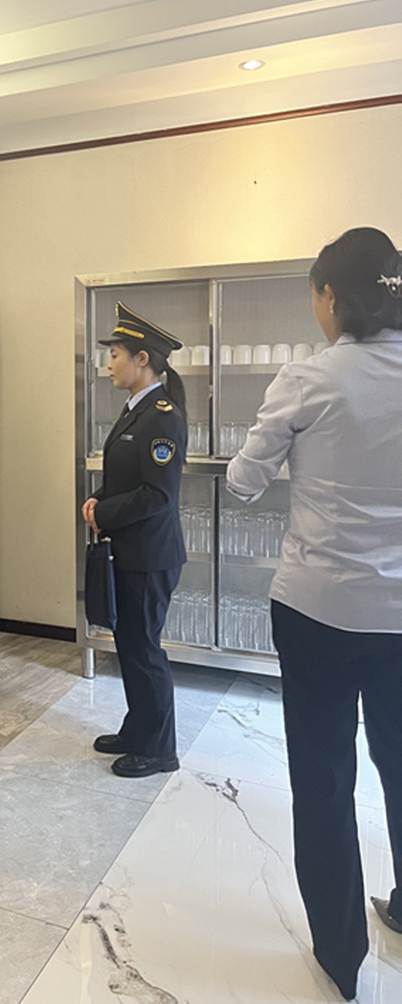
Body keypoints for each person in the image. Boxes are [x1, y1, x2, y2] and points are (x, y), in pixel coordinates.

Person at [226, 227, 402, 1001]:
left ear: (332, 296)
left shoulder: (308, 378)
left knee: (325, 776)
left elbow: (243, 481)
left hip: (320, 610)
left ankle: (341, 954)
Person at [82, 302, 187, 779]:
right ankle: (139, 729)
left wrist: (103, 513)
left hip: (149, 554)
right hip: (131, 550)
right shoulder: (136, 410)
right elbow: (127, 476)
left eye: (115, 355)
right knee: (129, 645)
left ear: (142, 359)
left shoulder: (161, 416)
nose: (109, 363)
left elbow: (158, 494)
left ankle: (160, 749)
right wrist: (98, 498)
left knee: (144, 650)